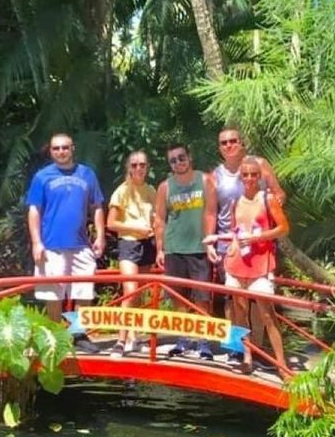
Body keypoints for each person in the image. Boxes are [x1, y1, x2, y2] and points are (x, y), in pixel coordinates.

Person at [205, 156, 290, 375]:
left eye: (254, 174)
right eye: (245, 174)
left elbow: (283, 228)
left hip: (261, 264)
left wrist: (256, 238)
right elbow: (235, 233)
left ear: (260, 177)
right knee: (239, 312)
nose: (250, 178)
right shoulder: (236, 203)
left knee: (267, 314)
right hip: (237, 263)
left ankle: (282, 366)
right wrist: (216, 239)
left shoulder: (267, 199)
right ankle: (247, 357)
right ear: (240, 177)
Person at [26, 132, 105, 353]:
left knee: (83, 291)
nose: (61, 152)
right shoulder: (42, 177)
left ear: (72, 148)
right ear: (51, 151)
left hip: (81, 245)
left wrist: (100, 235)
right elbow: (34, 210)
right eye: (56, 148)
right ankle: (55, 334)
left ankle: (77, 334)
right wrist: (36, 242)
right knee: (53, 293)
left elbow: (97, 206)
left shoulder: (87, 174)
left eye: (65, 147)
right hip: (51, 245)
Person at [211, 126, 285, 344]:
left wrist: (274, 204)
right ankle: (236, 348)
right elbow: (211, 211)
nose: (229, 145)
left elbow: (279, 192)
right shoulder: (217, 174)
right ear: (219, 148)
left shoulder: (259, 164)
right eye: (224, 143)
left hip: (260, 244)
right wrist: (210, 241)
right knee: (233, 300)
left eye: (233, 140)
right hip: (230, 243)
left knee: (259, 302)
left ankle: (257, 348)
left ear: (242, 142)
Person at [154, 142, 218, 359]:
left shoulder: (205, 180)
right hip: (174, 249)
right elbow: (160, 220)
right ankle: (183, 339)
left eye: (181, 158)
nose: (178, 163)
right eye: (173, 160)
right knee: (178, 297)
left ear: (189, 157)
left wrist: (209, 242)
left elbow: (210, 213)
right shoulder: (165, 187)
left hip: (198, 248)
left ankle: (203, 341)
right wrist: (160, 249)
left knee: (202, 298)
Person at [106, 150, 157, 357]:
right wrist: (137, 229)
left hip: (148, 244)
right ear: (129, 167)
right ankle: (121, 339)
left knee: (140, 292)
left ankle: (135, 336)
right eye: (134, 165)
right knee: (130, 290)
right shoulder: (122, 191)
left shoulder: (151, 190)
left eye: (142, 165)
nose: (138, 168)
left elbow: (157, 217)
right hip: (129, 244)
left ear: (147, 167)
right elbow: (111, 223)